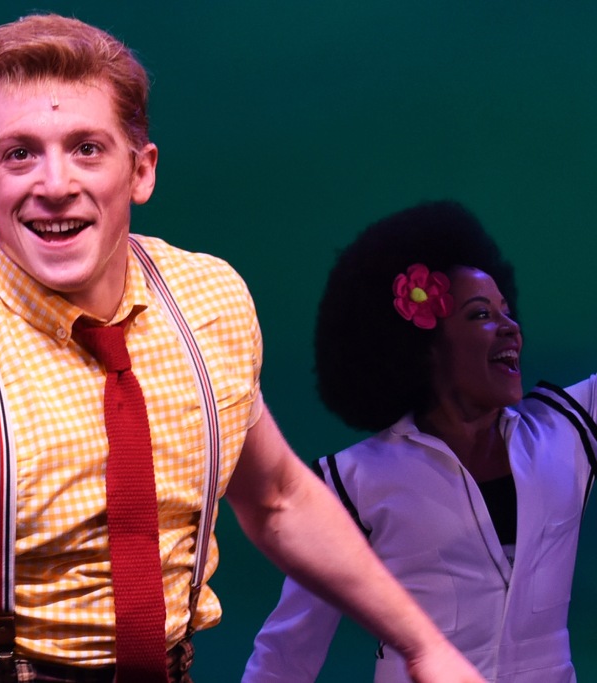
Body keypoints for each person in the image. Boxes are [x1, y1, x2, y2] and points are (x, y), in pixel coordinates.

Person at [0, 15, 483, 683]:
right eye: (21, 153)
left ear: (141, 171)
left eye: (86, 148)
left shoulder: (207, 302)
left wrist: (426, 648)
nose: (54, 184)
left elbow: (277, 497)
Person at [243, 200, 594, 682]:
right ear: (425, 347)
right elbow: (287, 654)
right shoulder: (354, 483)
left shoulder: (568, 432)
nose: (511, 327)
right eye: (480, 315)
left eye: (506, 312)